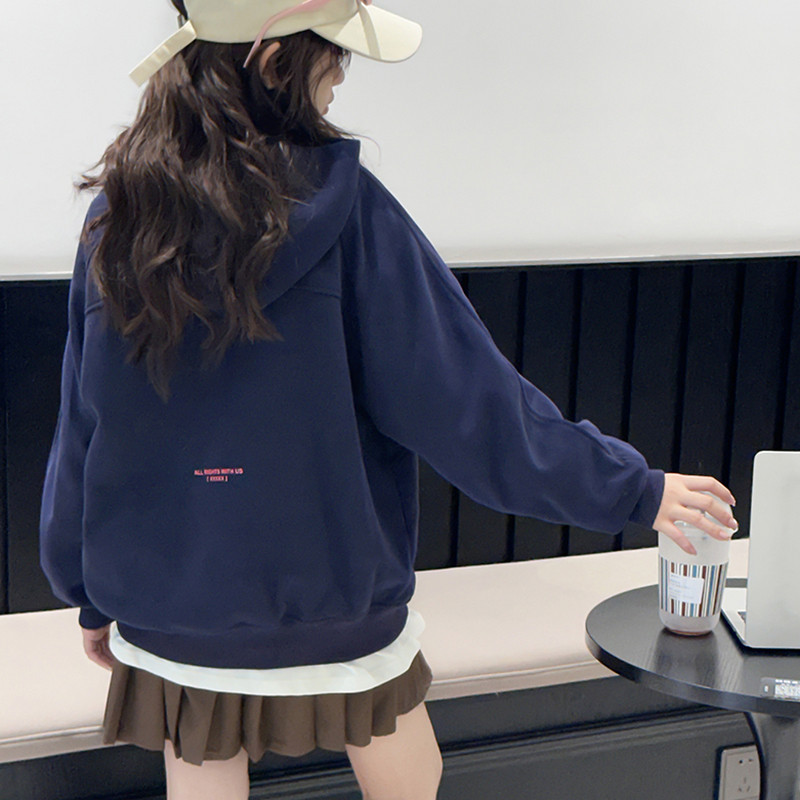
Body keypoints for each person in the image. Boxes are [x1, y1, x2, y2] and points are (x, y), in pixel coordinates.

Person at [38, 1, 738, 798]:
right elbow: (471, 406)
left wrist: (84, 591)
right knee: (410, 779)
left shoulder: (118, 222)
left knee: (201, 781)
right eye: (333, 56)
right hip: (335, 607)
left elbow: (83, 425)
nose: (339, 78)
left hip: (171, 610)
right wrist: (633, 489)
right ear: (275, 62)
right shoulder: (352, 216)